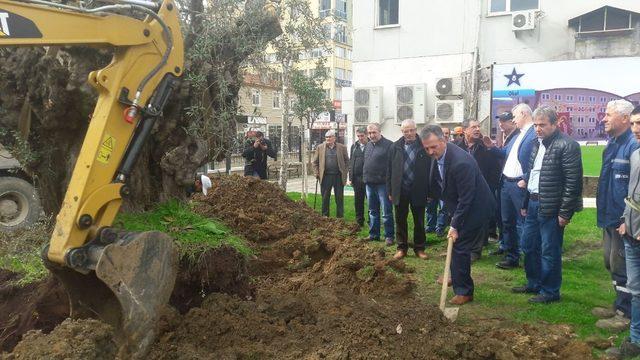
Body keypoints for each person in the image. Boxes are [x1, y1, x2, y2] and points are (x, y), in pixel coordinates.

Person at [514, 106, 583, 304]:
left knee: (549, 251)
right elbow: (532, 175)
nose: (538, 129)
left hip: (552, 207)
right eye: (535, 125)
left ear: (555, 124)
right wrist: (526, 202)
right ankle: (533, 283)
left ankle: (550, 291)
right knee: (528, 245)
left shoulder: (567, 145)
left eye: (542, 125)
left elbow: (573, 182)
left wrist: (565, 212)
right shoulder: (537, 144)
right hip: (534, 204)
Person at [422, 125, 496, 305]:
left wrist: (454, 226)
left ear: (443, 140)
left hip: (476, 207)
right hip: (461, 205)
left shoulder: (461, 162)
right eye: (427, 148)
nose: (431, 152)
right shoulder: (439, 154)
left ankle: (464, 291)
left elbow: (467, 198)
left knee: (461, 245)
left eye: (434, 147)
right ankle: (454, 275)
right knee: (456, 244)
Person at [594, 99, 638, 329]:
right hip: (609, 217)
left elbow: (634, 188)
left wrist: (626, 219)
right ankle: (618, 303)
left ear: (623, 118)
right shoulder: (612, 143)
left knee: (623, 267)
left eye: (608, 115)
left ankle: (626, 313)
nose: (604, 118)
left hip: (623, 221)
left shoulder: (633, 145)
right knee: (610, 263)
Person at [609, 105, 640, 358]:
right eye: (635, 123)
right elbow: (631, 195)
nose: (636, 129)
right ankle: (634, 336)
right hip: (627, 226)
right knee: (631, 282)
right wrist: (624, 218)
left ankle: (630, 326)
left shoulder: (632, 148)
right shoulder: (635, 153)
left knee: (634, 281)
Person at [491, 104, 537, 270]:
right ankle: (512, 257)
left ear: (524, 114)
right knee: (507, 221)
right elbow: (507, 155)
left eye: (515, 116)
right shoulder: (519, 134)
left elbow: (536, 160)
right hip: (506, 183)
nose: (514, 119)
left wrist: (526, 178)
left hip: (519, 184)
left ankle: (529, 257)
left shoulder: (532, 134)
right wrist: (491, 147)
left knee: (523, 222)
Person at [456, 119, 502, 261]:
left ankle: (476, 250)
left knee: (480, 219)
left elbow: (495, 169)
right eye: (473, 127)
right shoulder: (456, 147)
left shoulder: (485, 147)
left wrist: (489, 187)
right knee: (462, 218)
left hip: (481, 189)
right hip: (461, 189)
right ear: (465, 130)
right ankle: (462, 247)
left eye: (478, 126)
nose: (477, 129)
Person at [387, 120, 430, 259]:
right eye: (406, 131)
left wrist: (430, 192)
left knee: (419, 220)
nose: (409, 133)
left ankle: (419, 248)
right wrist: (390, 191)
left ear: (416, 129)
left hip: (418, 189)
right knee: (400, 220)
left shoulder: (424, 146)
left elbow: (431, 170)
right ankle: (401, 248)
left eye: (412, 130)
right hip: (400, 189)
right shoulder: (395, 147)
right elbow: (389, 170)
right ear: (402, 132)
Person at [488, 111, 520, 257]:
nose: (500, 123)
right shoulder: (505, 136)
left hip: (514, 181)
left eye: (504, 121)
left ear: (512, 121)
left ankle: (515, 248)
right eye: (499, 120)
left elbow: (505, 154)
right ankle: (505, 244)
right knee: (502, 216)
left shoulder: (517, 136)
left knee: (514, 218)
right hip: (502, 180)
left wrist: (492, 148)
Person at [362, 123, 394, 245]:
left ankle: (389, 236)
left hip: (383, 184)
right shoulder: (368, 145)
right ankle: (374, 234)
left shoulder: (389, 145)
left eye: (374, 132)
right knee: (372, 211)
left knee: (386, 212)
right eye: (369, 133)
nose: (371, 135)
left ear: (380, 131)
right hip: (369, 183)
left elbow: (392, 166)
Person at [312, 130, 349, 218]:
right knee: (325, 197)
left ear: (334, 138)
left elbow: (347, 161)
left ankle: (340, 217)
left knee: (339, 198)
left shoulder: (342, 147)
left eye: (330, 137)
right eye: (326, 137)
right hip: (325, 177)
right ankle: (325, 216)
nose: (328, 139)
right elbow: (315, 162)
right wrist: (316, 173)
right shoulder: (320, 147)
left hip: (338, 176)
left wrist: (345, 171)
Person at [426, 126, 450, 237]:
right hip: (433, 183)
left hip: (445, 185)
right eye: (443, 133)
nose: (445, 135)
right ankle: (430, 226)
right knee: (430, 206)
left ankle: (440, 227)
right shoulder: (431, 148)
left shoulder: (451, 149)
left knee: (444, 207)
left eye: (447, 134)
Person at [349, 127, 368, 227]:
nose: (360, 138)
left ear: (367, 135)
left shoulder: (371, 145)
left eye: (362, 136)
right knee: (358, 201)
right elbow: (351, 162)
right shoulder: (354, 146)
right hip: (357, 179)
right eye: (358, 136)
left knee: (370, 201)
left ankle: (371, 221)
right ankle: (359, 221)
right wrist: (351, 178)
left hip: (368, 179)